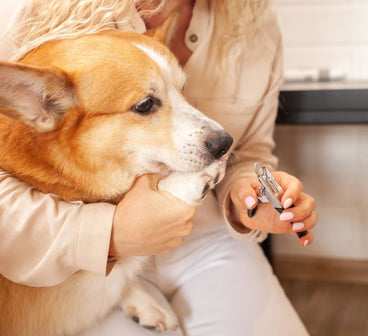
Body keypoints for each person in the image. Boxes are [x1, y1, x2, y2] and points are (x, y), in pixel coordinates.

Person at [0, 0, 318, 335]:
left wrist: (246, 195)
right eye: (146, 105)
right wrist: (111, 235)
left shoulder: (256, 23)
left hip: (207, 242)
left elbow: (249, 151)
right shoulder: (32, 13)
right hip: (73, 258)